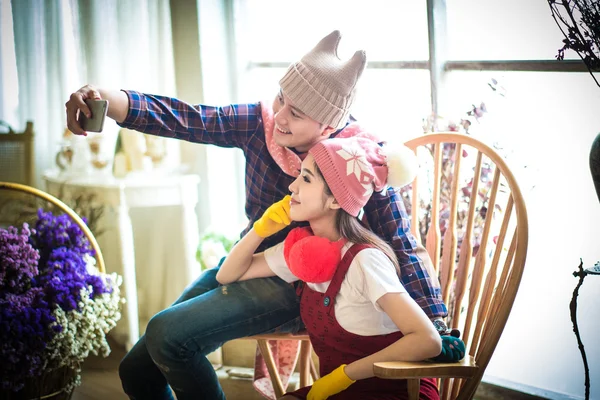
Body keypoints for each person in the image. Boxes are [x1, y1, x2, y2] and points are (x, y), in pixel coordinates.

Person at [65, 31, 451, 400]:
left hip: (304, 285)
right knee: (135, 370)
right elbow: (189, 117)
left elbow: (402, 242)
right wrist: (107, 98)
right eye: (280, 98)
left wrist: (436, 327)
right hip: (250, 261)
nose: (279, 116)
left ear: (328, 127)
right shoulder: (260, 124)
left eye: (295, 113)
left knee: (168, 335)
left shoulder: (358, 159)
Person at [217, 136, 445, 400]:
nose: (292, 186)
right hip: (339, 390)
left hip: (396, 389)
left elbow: (428, 340)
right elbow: (227, 275)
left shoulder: (365, 260)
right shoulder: (302, 251)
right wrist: (259, 230)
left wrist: (344, 375)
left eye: (306, 178)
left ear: (336, 200)